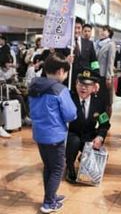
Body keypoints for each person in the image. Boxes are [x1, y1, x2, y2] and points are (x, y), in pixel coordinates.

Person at [28, 53, 77, 213]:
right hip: (55, 135)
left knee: (48, 167)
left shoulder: (34, 85)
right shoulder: (60, 90)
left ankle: (51, 196)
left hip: (40, 134)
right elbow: (70, 114)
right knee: (57, 168)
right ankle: (49, 203)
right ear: (61, 71)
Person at [65, 67, 110, 184]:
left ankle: (85, 160)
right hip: (71, 134)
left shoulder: (99, 102)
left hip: (88, 135)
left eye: (88, 85)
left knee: (98, 145)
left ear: (94, 87)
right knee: (74, 142)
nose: (83, 88)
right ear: (76, 84)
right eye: (80, 84)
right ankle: (69, 168)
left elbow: (104, 124)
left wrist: (100, 137)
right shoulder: (69, 99)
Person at [95, 25, 116, 118]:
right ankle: (97, 122)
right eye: (102, 30)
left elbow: (110, 62)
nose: (102, 32)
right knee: (97, 101)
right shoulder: (96, 43)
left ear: (109, 33)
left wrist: (109, 77)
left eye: (105, 31)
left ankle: (104, 124)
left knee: (106, 102)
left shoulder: (111, 44)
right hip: (96, 76)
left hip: (105, 77)